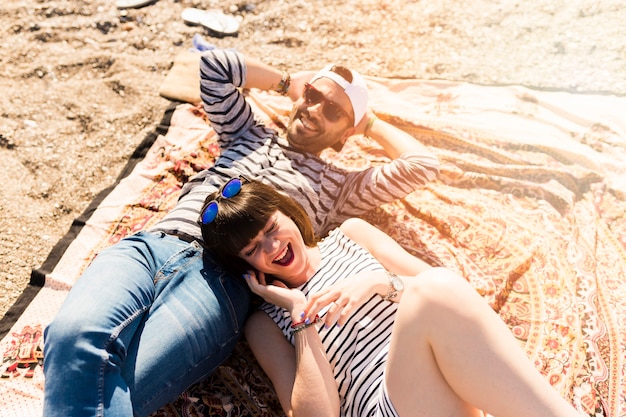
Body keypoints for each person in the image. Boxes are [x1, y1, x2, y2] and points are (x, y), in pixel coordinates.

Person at [42, 48, 440, 416]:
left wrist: (366, 122)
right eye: (314, 95)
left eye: (333, 110)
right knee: (69, 337)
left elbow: (423, 165)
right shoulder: (245, 134)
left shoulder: (340, 188)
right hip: (152, 247)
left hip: (220, 281)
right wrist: (287, 83)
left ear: (345, 135)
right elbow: (215, 66)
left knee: (121, 385)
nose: (315, 108)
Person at [199, 177, 582, 417]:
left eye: (270, 228)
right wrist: (301, 316)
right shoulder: (266, 322)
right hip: (385, 409)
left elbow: (454, 297)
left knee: (435, 289)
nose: (272, 246)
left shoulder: (351, 235)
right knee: (432, 293)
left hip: (448, 390)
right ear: (246, 266)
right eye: (253, 249)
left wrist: (382, 283)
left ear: (285, 210)